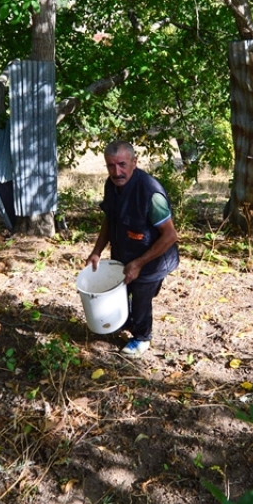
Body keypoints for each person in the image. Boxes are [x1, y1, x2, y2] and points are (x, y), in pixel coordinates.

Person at [87, 141, 179, 357]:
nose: (116, 172)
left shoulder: (150, 193)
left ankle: (142, 337)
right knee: (120, 291)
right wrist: (97, 251)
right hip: (125, 254)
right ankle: (125, 321)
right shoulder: (112, 186)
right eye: (110, 166)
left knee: (141, 297)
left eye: (122, 164)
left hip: (154, 259)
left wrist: (139, 264)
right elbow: (109, 220)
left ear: (134, 162)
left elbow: (170, 235)